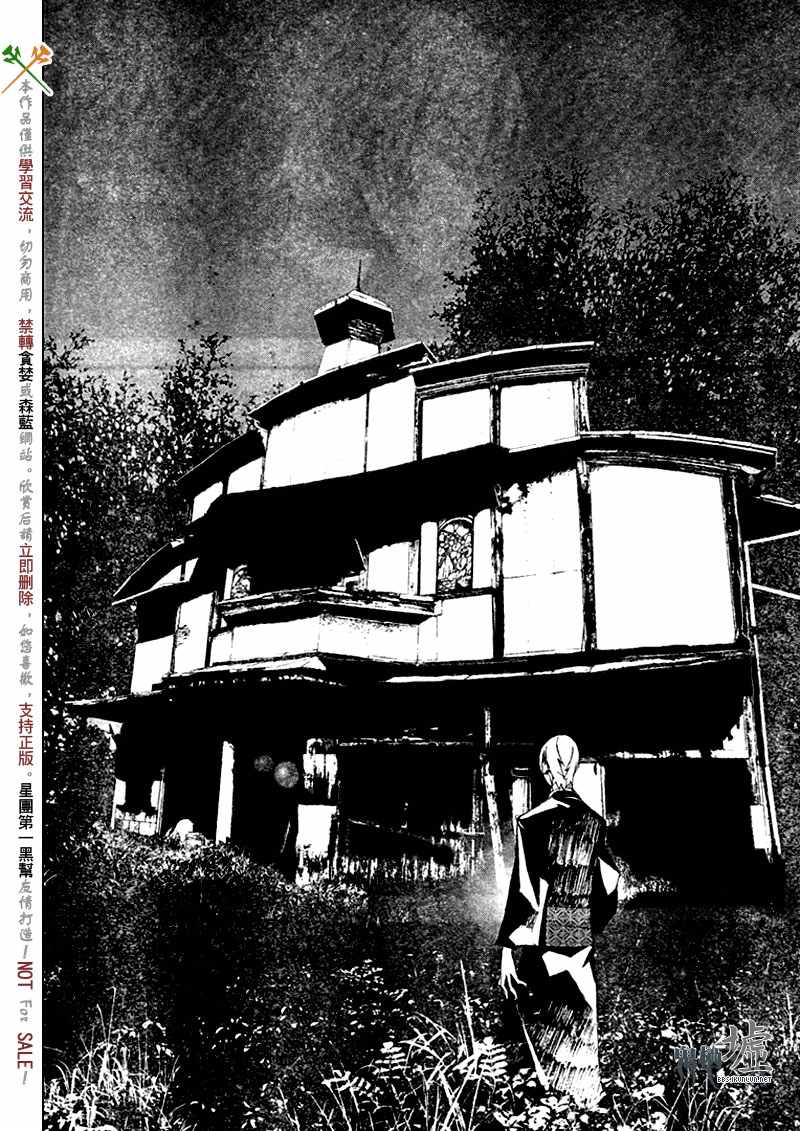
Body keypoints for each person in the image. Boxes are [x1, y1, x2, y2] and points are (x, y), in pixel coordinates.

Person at [497, 735, 619, 1108]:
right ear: (575, 768)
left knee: (545, 1023)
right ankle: (583, 1100)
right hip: (577, 928)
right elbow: (611, 884)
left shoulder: (531, 822)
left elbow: (525, 890)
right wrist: (588, 921)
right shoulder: (594, 822)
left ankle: (551, 1103)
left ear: (545, 771)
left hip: (546, 933)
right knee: (581, 1019)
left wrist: (507, 951)